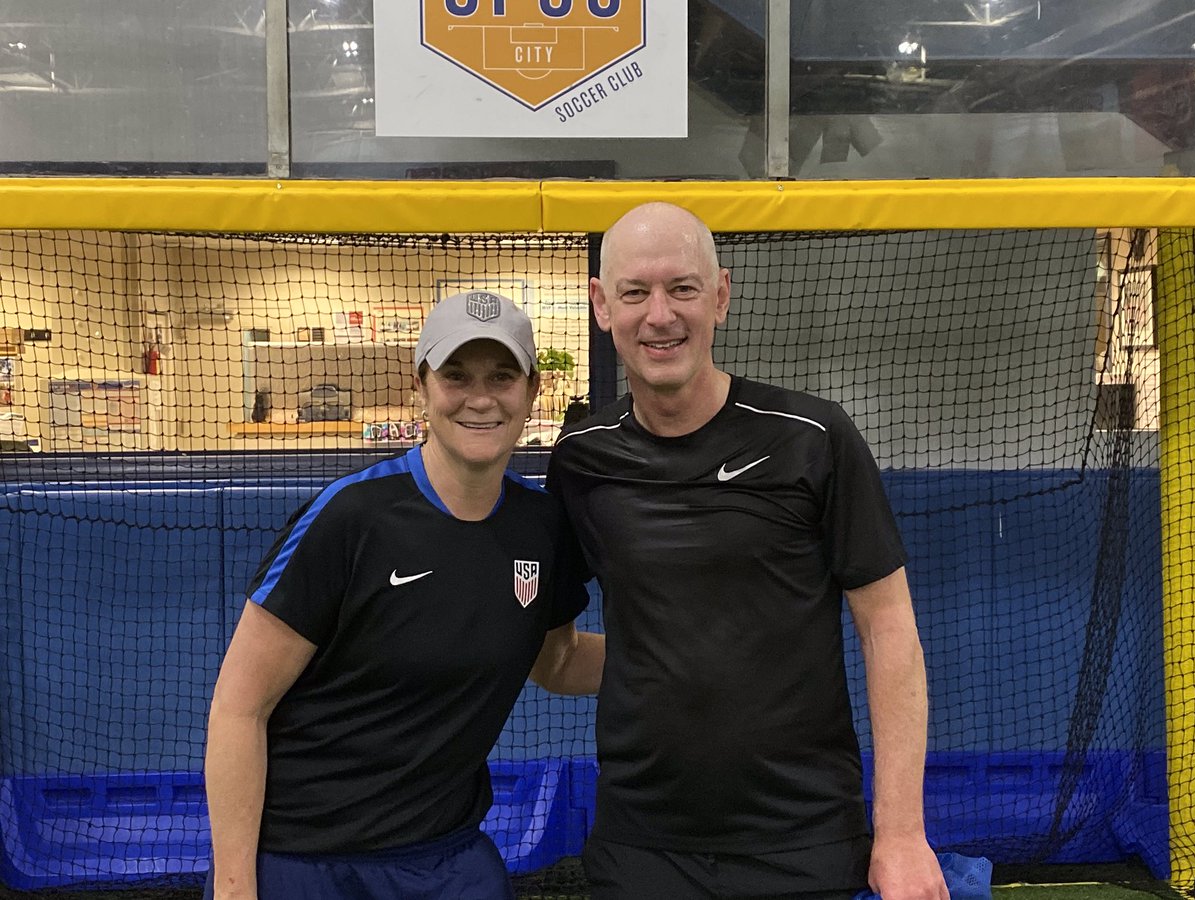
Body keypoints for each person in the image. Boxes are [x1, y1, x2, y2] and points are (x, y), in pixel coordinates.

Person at [546, 203, 949, 900]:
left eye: (683, 288)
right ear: (601, 304)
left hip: (804, 839)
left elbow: (889, 631)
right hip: (642, 843)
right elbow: (552, 654)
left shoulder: (810, 438)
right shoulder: (582, 460)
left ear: (722, 296)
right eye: (636, 292)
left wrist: (903, 834)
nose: (660, 315)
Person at [204, 290, 604, 900]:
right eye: (456, 376)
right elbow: (239, 709)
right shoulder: (351, 518)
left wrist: (700, 657)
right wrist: (236, 886)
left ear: (533, 391)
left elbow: (559, 661)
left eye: (502, 376)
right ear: (420, 386)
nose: (480, 397)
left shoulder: (543, 525)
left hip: (446, 858)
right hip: (305, 860)